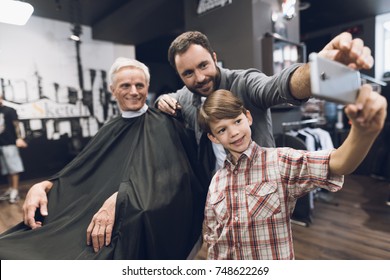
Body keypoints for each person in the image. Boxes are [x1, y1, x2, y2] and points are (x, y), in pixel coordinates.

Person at [0, 57, 207, 259]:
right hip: (88, 218)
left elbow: (171, 178)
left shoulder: (163, 123)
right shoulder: (110, 128)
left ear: (147, 86)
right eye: (125, 85)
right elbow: (80, 172)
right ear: (113, 90)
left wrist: (122, 198)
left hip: (130, 224)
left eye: (139, 85)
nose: (133, 92)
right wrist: (44, 185)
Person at [197, 88, 387, 260]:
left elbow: (336, 164)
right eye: (222, 130)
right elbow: (213, 236)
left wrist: (363, 134)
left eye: (237, 121)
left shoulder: (280, 162)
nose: (234, 133)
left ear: (248, 117)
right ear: (213, 137)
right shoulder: (217, 182)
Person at [156, 31, 374, 176]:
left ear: (214, 57)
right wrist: (161, 101)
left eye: (203, 65)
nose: (200, 77)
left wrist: (315, 73)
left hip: (260, 185)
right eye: (188, 73)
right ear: (179, 75)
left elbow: (277, 86)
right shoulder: (185, 97)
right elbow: (168, 100)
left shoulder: (245, 82)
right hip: (216, 190)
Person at [0, 95, 28, 203]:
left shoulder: (9, 110)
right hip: (1, 144)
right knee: (7, 169)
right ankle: (11, 188)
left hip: (10, 143)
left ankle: (15, 191)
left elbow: (16, 125)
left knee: (14, 168)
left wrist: (19, 138)